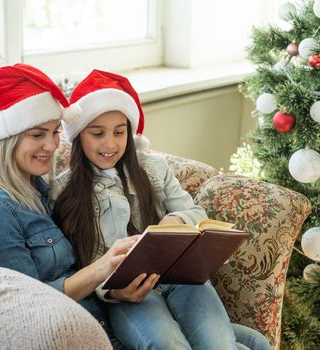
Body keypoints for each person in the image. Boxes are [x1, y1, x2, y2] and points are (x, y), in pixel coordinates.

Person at [51, 69, 272, 350]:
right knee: (170, 344)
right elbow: (82, 262)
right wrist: (114, 291)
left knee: (223, 345)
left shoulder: (152, 168)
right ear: (79, 135)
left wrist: (178, 220)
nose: (110, 144)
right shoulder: (65, 190)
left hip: (183, 281)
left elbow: (195, 214)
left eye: (119, 133)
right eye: (97, 134)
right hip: (128, 295)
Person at [0, 64, 135, 349]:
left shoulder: (34, 183)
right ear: (7, 137)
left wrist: (114, 288)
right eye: (38, 135)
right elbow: (25, 303)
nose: (51, 146)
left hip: (105, 317)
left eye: (54, 132)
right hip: (74, 337)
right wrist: (103, 268)